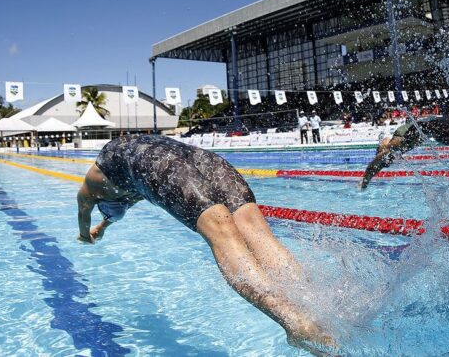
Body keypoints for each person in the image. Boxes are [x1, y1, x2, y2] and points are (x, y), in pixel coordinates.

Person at [77, 135, 336, 355]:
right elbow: (142, 186)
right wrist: (103, 227)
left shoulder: (90, 188)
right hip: (202, 159)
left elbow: (83, 213)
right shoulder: (124, 169)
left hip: (163, 166)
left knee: (223, 235)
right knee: (257, 232)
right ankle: (316, 308)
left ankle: (295, 322)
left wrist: (85, 234)